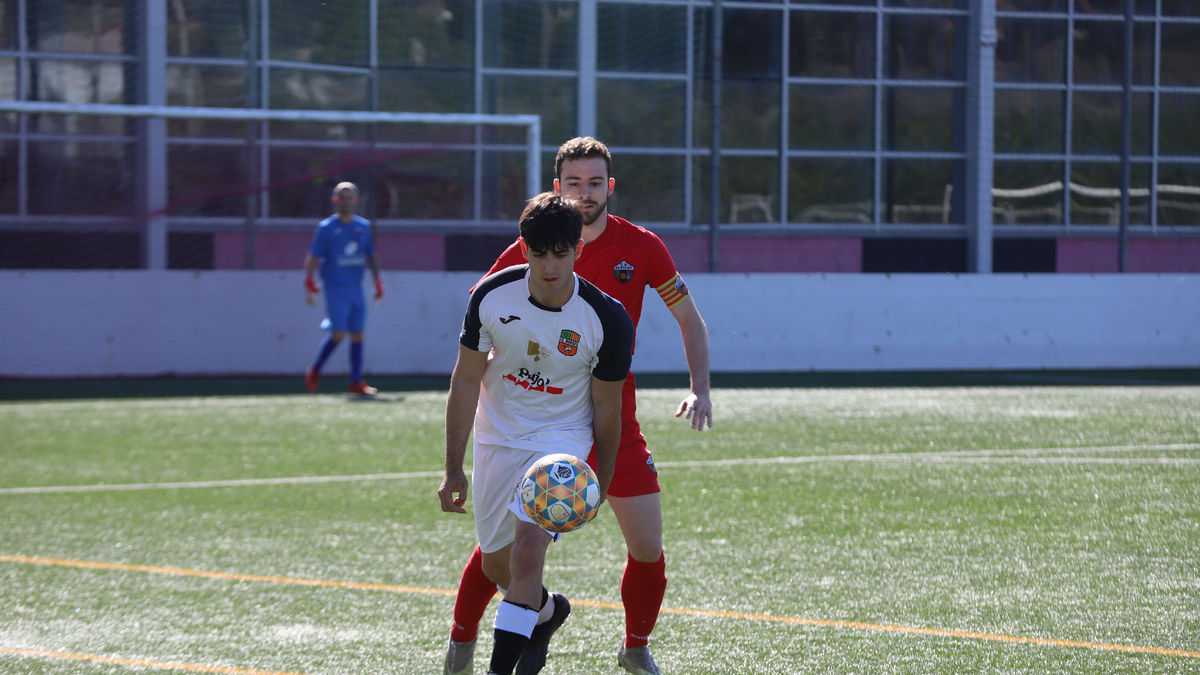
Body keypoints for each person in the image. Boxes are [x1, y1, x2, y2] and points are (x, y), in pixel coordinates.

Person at [443, 137, 713, 675]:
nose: (585, 193)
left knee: (645, 543)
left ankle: (635, 647)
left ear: (609, 188)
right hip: (533, 416)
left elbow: (689, 317)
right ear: (556, 188)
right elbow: (490, 317)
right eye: (574, 183)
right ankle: (466, 639)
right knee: (505, 553)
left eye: (595, 183)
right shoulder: (535, 243)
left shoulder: (641, 248)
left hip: (609, 414)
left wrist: (700, 386)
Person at [438, 191, 635, 675]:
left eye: (561, 253)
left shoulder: (607, 318)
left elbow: (607, 408)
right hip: (497, 439)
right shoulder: (489, 296)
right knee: (496, 567)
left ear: (578, 250)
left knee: (528, 557)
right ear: (523, 248)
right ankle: (548, 613)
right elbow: (465, 380)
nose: (550, 266)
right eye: (539, 253)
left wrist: (601, 483)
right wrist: (453, 469)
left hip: (561, 442)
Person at [302, 181, 384, 396]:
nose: (345, 201)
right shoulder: (326, 228)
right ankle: (315, 370)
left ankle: (356, 382)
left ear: (355, 201)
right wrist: (308, 279)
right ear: (335, 200)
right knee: (338, 333)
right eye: (341, 197)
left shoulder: (363, 226)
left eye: (349, 197)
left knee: (358, 333)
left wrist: (377, 280)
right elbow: (314, 255)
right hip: (335, 287)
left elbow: (370, 254)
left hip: (356, 286)